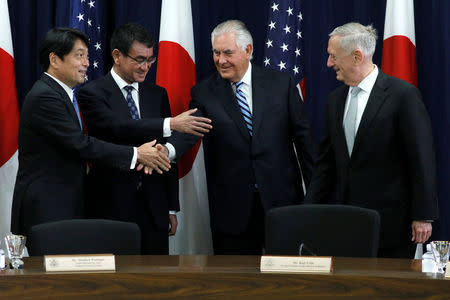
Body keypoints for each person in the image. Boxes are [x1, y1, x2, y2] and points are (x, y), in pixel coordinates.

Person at [11, 27, 170, 238]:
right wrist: (137, 154)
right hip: (48, 207)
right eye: (79, 56)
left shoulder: (61, 94)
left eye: (87, 56)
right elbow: (81, 144)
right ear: (55, 59)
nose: (87, 63)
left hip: (65, 204)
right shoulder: (45, 97)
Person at [173, 20, 315, 254]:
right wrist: (167, 151)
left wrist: (314, 199)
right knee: (236, 283)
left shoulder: (281, 84)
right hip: (232, 210)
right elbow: (190, 131)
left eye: (228, 52)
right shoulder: (204, 92)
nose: (221, 60)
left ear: (248, 50)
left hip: (282, 203)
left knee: (287, 280)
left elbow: (305, 144)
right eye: (216, 53)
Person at [305, 22, 439, 258]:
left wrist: (423, 215)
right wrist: (306, 212)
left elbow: (421, 159)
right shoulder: (334, 100)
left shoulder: (402, 95)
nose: (329, 63)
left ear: (357, 56)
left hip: (393, 227)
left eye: (333, 57)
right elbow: (325, 165)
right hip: (347, 225)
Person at [77, 23, 212, 254]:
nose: (146, 67)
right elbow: (116, 128)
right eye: (139, 59)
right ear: (117, 56)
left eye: (150, 60)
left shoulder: (157, 93)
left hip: (154, 207)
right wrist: (172, 123)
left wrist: (171, 207)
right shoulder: (92, 93)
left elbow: (165, 150)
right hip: (111, 206)